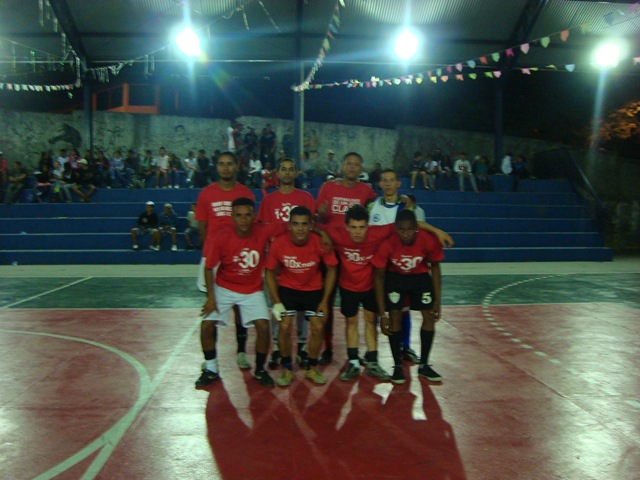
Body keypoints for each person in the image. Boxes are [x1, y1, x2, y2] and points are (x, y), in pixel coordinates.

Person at [198, 197, 289, 388]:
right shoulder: (222, 237)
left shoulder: (263, 230)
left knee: (263, 327)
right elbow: (209, 268)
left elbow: (292, 224)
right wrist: (211, 298)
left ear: (254, 215)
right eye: (239, 215)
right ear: (232, 216)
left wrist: (321, 232)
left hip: (252, 289)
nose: (244, 219)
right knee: (206, 326)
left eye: (248, 215)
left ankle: (260, 369)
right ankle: (211, 369)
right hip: (224, 288)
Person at [369, 168, 453, 363]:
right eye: (384, 180)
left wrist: (436, 231)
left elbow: (418, 226)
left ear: (398, 183)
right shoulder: (371, 206)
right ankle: (373, 352)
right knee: (382, 312)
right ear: (379, 184)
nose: (388, 184)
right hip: (382, 263)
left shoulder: (408, 206)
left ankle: (405, 347)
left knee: (404, 309)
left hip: (404, 264)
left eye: (392, 180)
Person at [195, 151, 256, 370]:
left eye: (230, 164)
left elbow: (251, 226)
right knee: (212, 309)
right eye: (222, 164)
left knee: (240, 307)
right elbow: (202, 227)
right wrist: (212, 251)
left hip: (238, 258)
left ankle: (241, 352)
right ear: (216, 167)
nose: (226, 168)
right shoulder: (206, 194)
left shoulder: (245, 192)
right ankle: (211, 359)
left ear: (236, 166)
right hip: (213, 259)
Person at [315, 151, 378, 364]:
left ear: (361, 169)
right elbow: (317, 218)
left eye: (356, 164)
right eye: (349, 163)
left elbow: (378, 213)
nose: (352, 167)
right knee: (327, 300)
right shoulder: (328, 187)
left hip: (355, 254)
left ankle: (370, 351)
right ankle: (328, 347)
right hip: (331, 251)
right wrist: (321, 214)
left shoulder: (367, 191)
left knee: (365, 304)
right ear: (342, 166)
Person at [265, 206, 338, 386]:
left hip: (313, 289)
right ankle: (287, 368)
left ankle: (312, 368)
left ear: (311, 225)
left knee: (318, 326)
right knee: (284, 326)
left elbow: (332, 269)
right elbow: (269, 272)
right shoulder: (278, 244)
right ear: (289, 225)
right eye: (296, 224)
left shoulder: (320, 242)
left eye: (304, 224)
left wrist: (325, 301)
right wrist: (276, 302)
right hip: (288, 289)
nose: (300, 228)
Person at [373, 209, 444, 384]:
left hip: (420, 277)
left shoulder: (427, 239)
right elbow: (379, 278)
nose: (406, 234)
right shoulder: (387, 244)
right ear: (396, 228)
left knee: (429, 316)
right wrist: (382, 314)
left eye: (410, 229)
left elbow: (435, 267)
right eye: (402, 230)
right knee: (395, 317)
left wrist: (437, 300)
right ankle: (397, 366)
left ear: (416, 228)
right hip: (396, 278)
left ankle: (424, 364)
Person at [257, 158, 316, 369]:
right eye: (284, 169)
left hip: (301, 257)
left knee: (301, 305)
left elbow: (313, 226)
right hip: (277, 257)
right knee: (278, 303)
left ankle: (301, 345)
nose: (288, 172)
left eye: (291, 169)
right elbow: (262, 229)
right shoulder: (268, 201)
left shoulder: (306, 198)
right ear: (278, 173)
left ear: (296, 173)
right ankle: (276, 347)